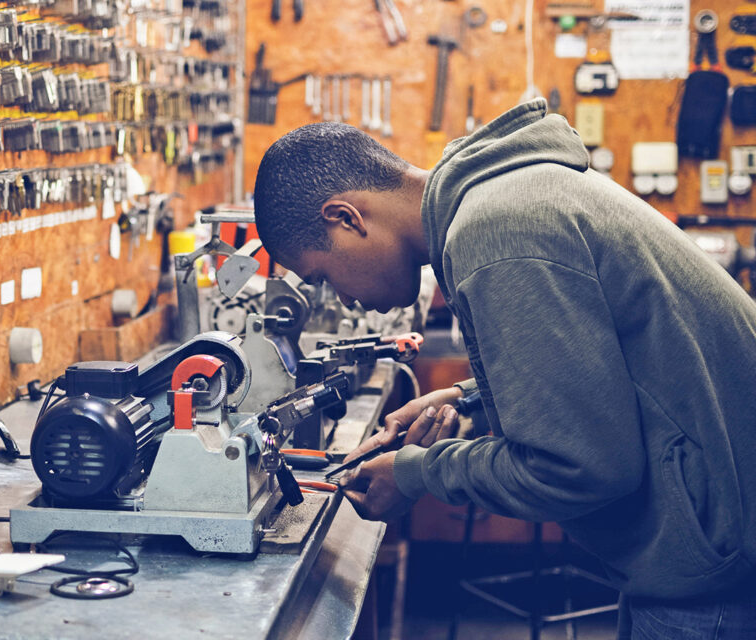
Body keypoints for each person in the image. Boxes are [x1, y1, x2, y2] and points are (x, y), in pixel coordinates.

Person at [252, 98, 756, 638]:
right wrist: (467, 398)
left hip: (716, 571)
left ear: (346, 218)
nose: (342, 299)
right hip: (709, 543)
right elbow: (601, 363)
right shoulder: (502, 198)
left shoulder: (496, 234)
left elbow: (579, 467)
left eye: (323, 276)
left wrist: (418, 475)